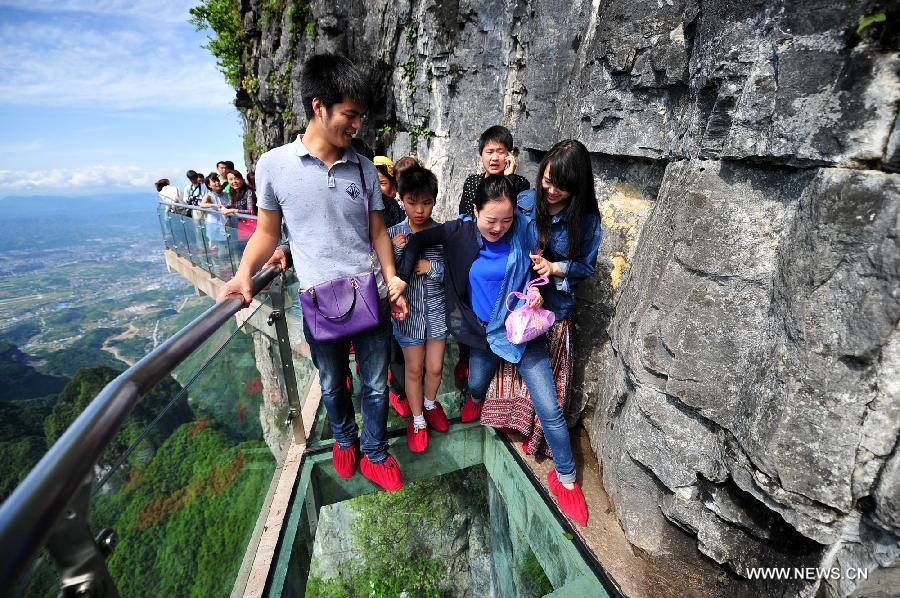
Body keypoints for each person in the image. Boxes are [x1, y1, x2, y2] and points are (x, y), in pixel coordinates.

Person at [217, 52, 409, 492]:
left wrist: (392, 279)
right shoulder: (274, 166)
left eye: (360, 116)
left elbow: (377, 231)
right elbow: (268, 232)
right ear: (318, 106)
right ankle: (345, 440)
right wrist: (246, 272)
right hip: (320, 300)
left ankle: (375, 453)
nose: (356, 125)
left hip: (370, 294)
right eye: (350, 114)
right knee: (332, 382)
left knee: (376, 384)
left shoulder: (362, 165)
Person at [389, 175, 588, 525]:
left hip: (520, 332)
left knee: (549, 406)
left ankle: (567, 477)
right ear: (474, 212)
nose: (498, 228)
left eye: (506, 221)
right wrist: (403, 277)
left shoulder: (526, 231)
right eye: (490, 220)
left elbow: (546, 270)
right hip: (481, 335)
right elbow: (418, 240)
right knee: (476, 384)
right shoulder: (459, 231)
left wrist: (539, 289)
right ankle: (475, 400)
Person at [481, 140, 601, 460]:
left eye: (560, 187)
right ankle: (517, 429)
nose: (549, 190)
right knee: (512, 375)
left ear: (577, 187)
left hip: (552, 317)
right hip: (519, 309)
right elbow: (496, 234)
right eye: (546, 181)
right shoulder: (523, 204)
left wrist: (555, 268)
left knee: (548, 404)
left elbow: (585, 265)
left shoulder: (586, 221)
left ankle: (566, 474)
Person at [454, 126, 531, 387]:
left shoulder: (520, 183)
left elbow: (518, 222)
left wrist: (507, 180)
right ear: (481, 155)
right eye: (490, 151)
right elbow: (464, 219)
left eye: (501, 151)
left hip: (507, 259)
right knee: (470, 308)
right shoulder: (474, 183)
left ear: (510, 155)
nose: (495, 157)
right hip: (477, 254)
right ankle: (466, 363)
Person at [388, 164, 448, 452]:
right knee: (414, 369)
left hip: (436, 312)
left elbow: (455, 272)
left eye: (426, 202)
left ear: (434, 201)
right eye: (412, 203)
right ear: (401, 200)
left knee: (435, 366)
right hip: (409, 317)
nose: (420, 210)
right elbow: (384, 273)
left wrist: (432, 267)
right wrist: (398, 249)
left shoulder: (443, 233)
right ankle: (418, 420)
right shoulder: (393, 234)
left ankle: (429, 402)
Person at [374, 156, 405, 228]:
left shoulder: (406, 206)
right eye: (373, 183)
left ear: (394, 184)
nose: (376, 188)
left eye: (381, 183)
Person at [199, 173, 229, 247]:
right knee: (221, 247)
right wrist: (214, 205)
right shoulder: (209, 195)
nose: (217, 183)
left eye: (217, 180)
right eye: (214, 181)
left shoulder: (225, 194)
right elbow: (202, 205)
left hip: (226, 224)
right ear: (209, 185)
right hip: (215, 225)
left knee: (228, 246)